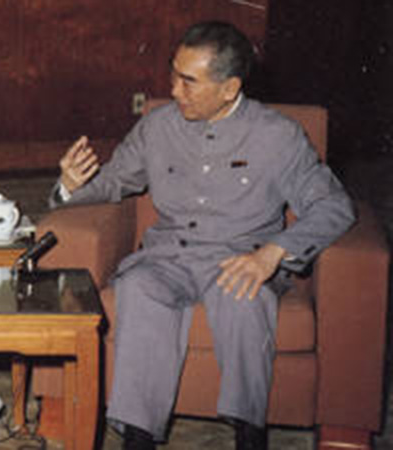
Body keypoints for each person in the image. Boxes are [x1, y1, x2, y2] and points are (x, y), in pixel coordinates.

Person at [52, 21, 355, 450]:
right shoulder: (158, 126)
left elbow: (333, 205)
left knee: (244, 297)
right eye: (174, 74)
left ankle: (250, 432)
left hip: (238, 256)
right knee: (138, 287)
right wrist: (71, 186)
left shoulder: (278, 136)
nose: (174, 90)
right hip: (167, 258)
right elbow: (116, 179)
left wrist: (274, 252)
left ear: (230, 88)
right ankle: (137, 436)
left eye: (189, 81)